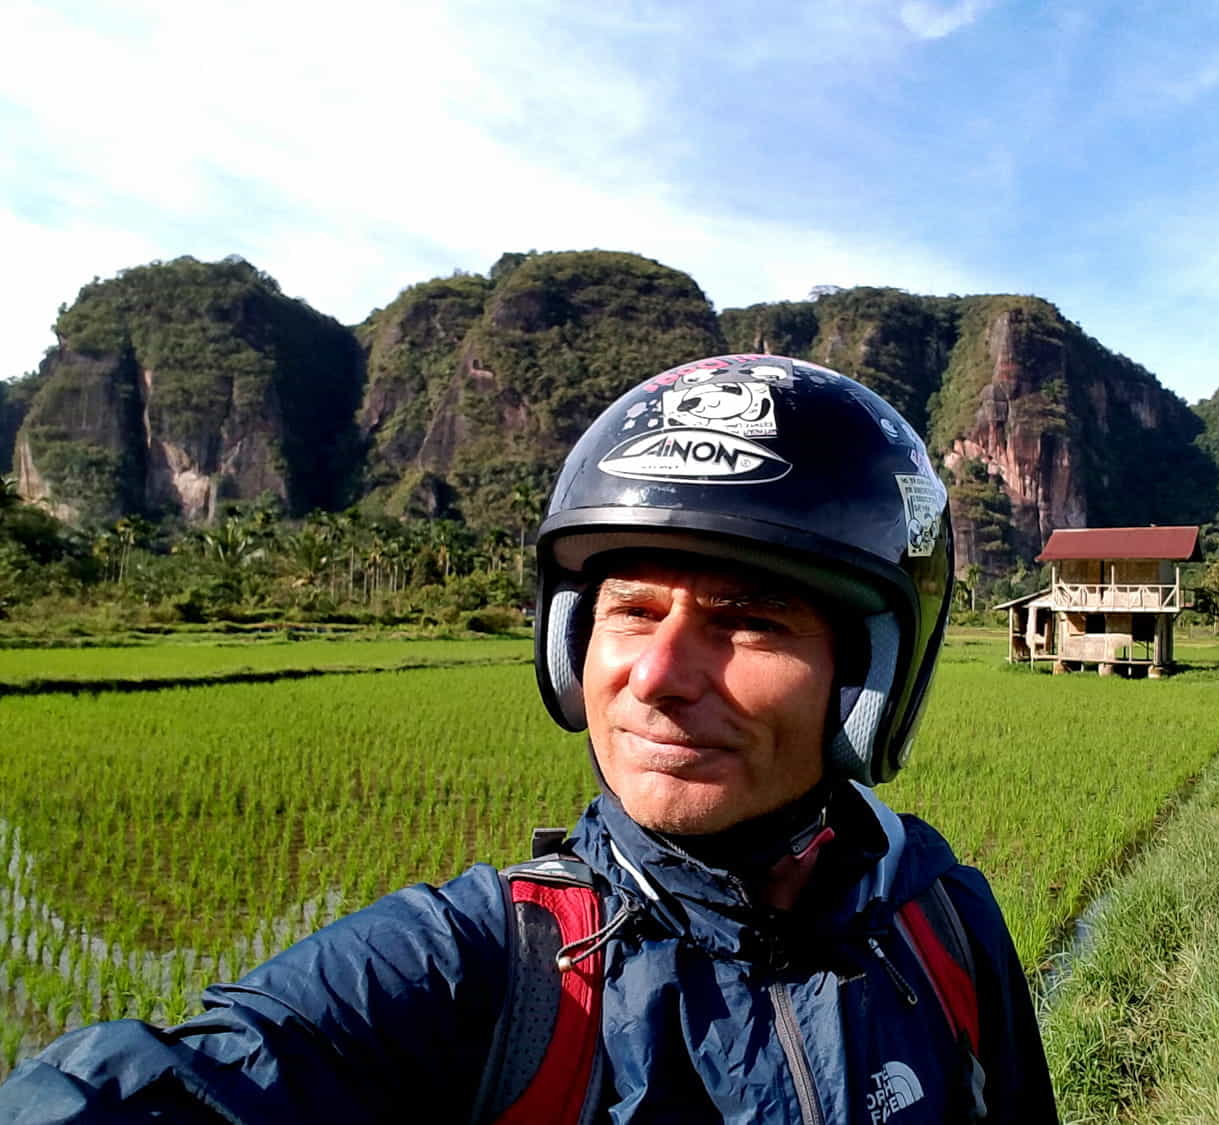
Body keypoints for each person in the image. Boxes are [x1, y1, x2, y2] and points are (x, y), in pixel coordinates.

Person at [0, 354, 1056, 1122]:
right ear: (568, 645)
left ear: (867, 674)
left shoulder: (940, 921)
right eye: (631, 611)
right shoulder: (489, 971)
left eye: (750, 620)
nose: (654, 676)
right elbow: (198, 1080)